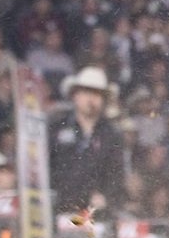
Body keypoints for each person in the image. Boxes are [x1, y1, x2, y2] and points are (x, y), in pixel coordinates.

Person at [47, 66, 123, 220]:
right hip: (57, 208)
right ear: (75, 95)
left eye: (97, 94)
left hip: (94, 212)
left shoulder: (111, 134)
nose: (91, 99)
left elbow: (116, 174)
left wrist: (105, 197)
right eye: (86, 92)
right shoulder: (56, 128)